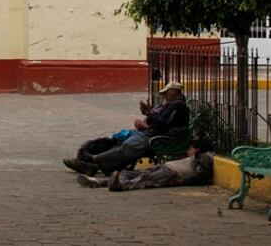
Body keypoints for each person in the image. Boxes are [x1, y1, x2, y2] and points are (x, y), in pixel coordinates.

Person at [62, 81, 190, 176]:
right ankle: (93, 164)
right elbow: (158, 122)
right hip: (151, 133)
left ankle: (94, 160)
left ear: (176, 92)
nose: (165, 95)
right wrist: (148, 114)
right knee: (120, 141)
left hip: (157, 137)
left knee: (129, 146)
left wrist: (149, 113)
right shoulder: (170, 105)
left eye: (168, 92)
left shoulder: (177, 106)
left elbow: (160, 124)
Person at [75, 139, 215, 191]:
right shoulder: (195, 157)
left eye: (190, 148)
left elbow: (201, 174)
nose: (187, 150)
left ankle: (121, 185)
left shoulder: (204, 157)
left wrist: (183, 182)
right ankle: (101, 182)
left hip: (173, 173)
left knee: (145, 179)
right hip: (167, 168)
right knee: (136, 174)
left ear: (196, 149)